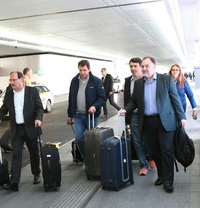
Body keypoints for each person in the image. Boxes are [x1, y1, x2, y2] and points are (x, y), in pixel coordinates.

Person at [119, 56, 186, 193]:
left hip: (165, 121)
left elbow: (175, 99)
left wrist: (181, 117)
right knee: (154, 152)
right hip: (148, 122)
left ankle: (168, 181)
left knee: (166, 151)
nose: (144, 69)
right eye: (142, 66)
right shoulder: (139, 84)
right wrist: (126, 109)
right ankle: (161, 175)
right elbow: (134, 102)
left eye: (147, 66)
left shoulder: (165, 80)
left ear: (154, 66)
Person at [0, 71, 44, 192]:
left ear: (21, 80)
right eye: (10, 80)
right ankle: (14, 182)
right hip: (17, 129)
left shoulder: (32, 91)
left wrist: (38, 119)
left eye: (14, 80)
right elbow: (4, 109)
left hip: (31, 127)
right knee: (16, 155)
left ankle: (36, 173)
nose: (11, 82)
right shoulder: (9, 94)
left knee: (34, 153)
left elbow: (39, 108)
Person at [67, 60, 106, 159]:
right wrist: (70, 115)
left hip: (92, 116)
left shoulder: (96, 81)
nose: (82, 72)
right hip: (78, 115)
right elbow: (71, 98)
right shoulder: (74, 81)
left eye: (84, 70)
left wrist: (95, 106)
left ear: (89, 69)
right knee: (79, 138)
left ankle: (94, 160)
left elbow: (102, 98)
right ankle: (87, 159)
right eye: (80, 70)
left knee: (92, 140)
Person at [123, 58, 155, 176]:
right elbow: (128, 100)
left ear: (141, 67)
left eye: (135, 66)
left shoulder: (147, 79)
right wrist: (126, 116)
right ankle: (143, 164)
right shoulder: (128, 81)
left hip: (147, 114)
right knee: (137, 140)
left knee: (149, 139)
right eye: (131, 66)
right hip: (134, 115)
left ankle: (151, 157)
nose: (133, 68)